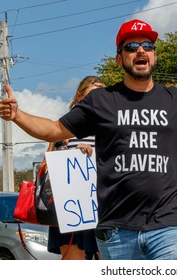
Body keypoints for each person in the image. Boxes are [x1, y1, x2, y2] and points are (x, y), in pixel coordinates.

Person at [0, 19, 177, 260]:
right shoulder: (101, 101)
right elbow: (55, 130)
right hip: (117, 231)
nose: (140, 50)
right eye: (131, 46)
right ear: (120, 59)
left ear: (155, 57)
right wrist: (17, 114)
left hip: (168, 228)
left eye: (147, 45)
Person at [46, 76, 105, 260]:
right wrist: (69, 153)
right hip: (70, 210)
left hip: (100, 208)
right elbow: (47, 166)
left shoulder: (108, 127)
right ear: (80, 97)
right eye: (93, 95)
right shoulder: (64, 127)